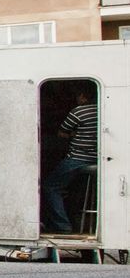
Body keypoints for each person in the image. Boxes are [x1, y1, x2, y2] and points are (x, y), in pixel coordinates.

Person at [42, 86, 98, 235]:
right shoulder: (103, 110)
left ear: (83, 96)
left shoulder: (78, 111)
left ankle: (62, 226)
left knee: (50, 186)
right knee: (70, 187)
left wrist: (74, 135)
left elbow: (61, 133)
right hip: (98, 160)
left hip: (78, 159)